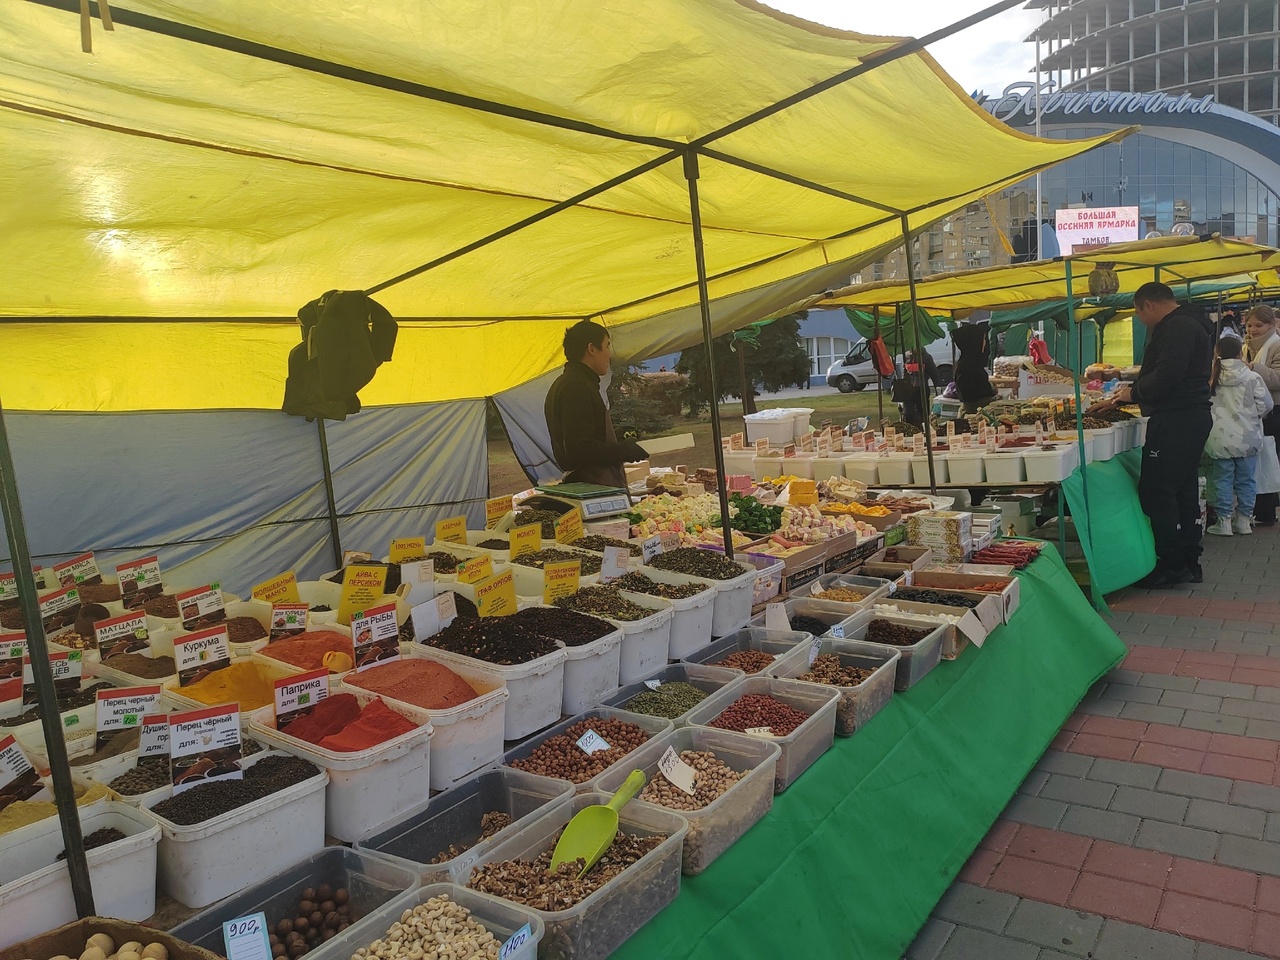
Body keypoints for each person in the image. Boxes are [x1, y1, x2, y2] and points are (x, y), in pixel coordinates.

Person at [1091, 282, 1213, 588]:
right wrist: (1125, 396)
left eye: (1138, 312)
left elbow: (1167, 375)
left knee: (1157, 491)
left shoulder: (1177, 327)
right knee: (1182, 490)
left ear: (1148, 305)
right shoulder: (1189, 323)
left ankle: (1171, 565)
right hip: (1189, 416)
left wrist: (1134, 393)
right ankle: (1189, 561)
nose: (1141, 319)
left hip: (1177, 418)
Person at [544, 320, 648, 488]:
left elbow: (581, 436)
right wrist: (624, 450)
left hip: (591, 485)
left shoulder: (570, 383)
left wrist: (614, 437)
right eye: (607, 346)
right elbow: (580, 451)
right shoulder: (576, 387)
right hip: (593, 487)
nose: (609, 354)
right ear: (592, 349)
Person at [1205, 336, 1272, 537]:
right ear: (1240, 354)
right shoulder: (1252, 377)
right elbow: (1266, 405)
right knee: (1246, 480)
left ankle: (1224, 521)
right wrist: (1252, 416)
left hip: (1218, 438)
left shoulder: (1210, 377)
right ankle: (1244, 521)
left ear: (1216, 353)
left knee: (1221, 480)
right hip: (1247, 437)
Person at [1244, 304, 1280, 526]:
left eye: (1258, 325)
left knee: (1269, 459)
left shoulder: (1276, 345)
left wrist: (1252, 368)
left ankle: (1266, 510)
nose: (1253, 330)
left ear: (1271, 325)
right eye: (1249, 325)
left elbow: (1278, 379)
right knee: (1262, 460)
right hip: (1255, 411)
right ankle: (1264, 510)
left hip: (1275, 410)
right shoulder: (1246, 346)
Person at [899, 349, 940, 428]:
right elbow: (904, 374)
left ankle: (924, 430)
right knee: (908, 413)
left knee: (923, 414)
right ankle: (911, 430)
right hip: (908, 391)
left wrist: (938, 390)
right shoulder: (907, 357)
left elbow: (934, 374)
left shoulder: (926, 357)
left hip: (922, 390)